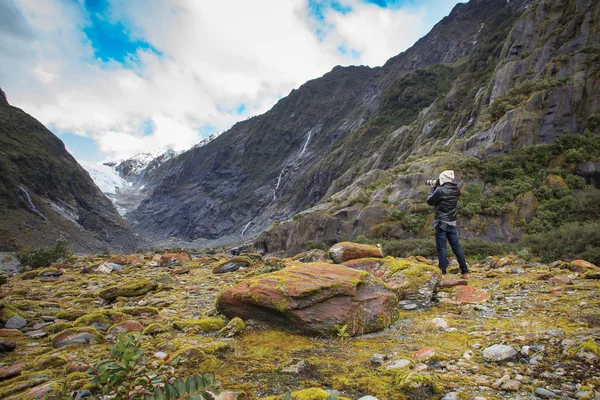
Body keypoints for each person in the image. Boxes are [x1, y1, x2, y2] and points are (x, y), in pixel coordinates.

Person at [426, 170, 469, 279]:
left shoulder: (440, 190)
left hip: (441, 222)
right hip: (452, 222)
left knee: (442, 248)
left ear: (442, 179)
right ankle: (465, 272)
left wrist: (432, 188)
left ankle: (443, 273)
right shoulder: (457, 190)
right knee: (456, 248)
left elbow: (430, 201)